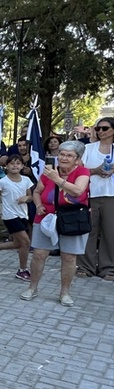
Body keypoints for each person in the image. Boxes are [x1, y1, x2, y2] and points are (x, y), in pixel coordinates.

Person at [20, 141, 90, 306]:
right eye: (62, 154)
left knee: (68, 257)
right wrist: (38, 205)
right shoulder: (49, 172)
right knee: (38, 254)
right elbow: (37, 191)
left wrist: (57, 179)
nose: (64, 158)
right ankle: (32, 288)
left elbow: (78, 191)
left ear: (77, 159)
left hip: (73, 218)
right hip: (46, 218)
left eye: (69, 155)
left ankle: (65, 292)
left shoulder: (83, 172)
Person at [0, 154, 34, 280]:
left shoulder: (26, 180)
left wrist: (26, 198)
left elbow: (31, 197)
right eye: (12, 163)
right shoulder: (2, 182)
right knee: (26, 242)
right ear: (6, 166)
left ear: (22, 166)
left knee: (18, 243)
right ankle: (22, 270)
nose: (15, 166)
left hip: (23, 215)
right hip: (10, 216)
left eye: (18, 163)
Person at [78, 117, 114, 280]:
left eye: (104, 128)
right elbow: (79, 170)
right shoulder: (89, 148)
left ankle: (108, 268)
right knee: (89, 231)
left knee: (110, 232)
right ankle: (86, 266)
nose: (100, 132)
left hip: (111, 195)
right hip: (91, 194)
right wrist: (96, 170)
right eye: (98, 128)